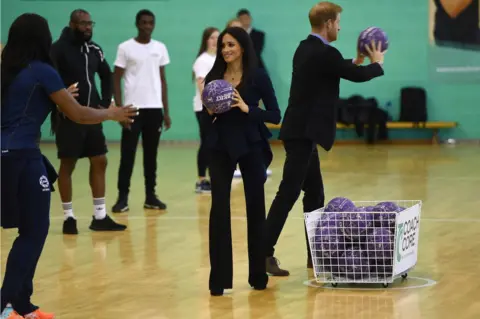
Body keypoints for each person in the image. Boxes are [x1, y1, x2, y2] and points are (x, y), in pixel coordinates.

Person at [0, 13, 137, 319]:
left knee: (27, 232)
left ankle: (23, 306)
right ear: (42, 37)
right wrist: (112, 113)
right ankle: (6, 305)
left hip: (7, 156)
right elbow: (79, 115)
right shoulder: (42, 70)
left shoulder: (8, 71)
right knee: (33, 232)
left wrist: (57, 97)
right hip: (22, 156)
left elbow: (27, 103)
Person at [264, 1, 386, 276]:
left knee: (314, 194)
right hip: (302, 134)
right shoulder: (322, 53)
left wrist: (354, 60)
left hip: (303, 133)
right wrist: (376, 64)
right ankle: (263, 252)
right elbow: (355, 76)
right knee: (288, 193)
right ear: (328, 23)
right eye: (338, 22)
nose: (341, 27)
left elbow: (334, 68)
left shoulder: (307, 48)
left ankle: (315, 254)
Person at [204, 27, 281, 296]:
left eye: (231, 45)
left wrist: (249, 109)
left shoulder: (258, 75)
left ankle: (257, 274)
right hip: (220, 146)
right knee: (219, 209)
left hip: (251, 145)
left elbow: (275, 114)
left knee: (255, 208)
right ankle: (218, 279)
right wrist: (210, 109)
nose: (225, 50)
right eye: (223, 45)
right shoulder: (214, 77)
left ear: (243, 47)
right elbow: (208, 116)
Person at [50, 9, 126, 234]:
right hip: (68, 116)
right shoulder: (58, 49)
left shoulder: (95, 50)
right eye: (83, 24)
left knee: (100, 160)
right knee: (68, 163)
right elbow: (49, 77)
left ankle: (100, 216)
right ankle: (68, 217)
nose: (88, 28)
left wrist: (104, 102)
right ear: (72, 24)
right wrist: (61, 94)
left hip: (92, 116)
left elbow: (106, 74)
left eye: (90, 24)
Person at [111, 9, 172, 213]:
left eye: (150, 23)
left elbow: (162, 80)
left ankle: (150, 196)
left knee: (151, 156)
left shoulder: (160, 48)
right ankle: (122, 198)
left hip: (154, 109)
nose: (147, 26)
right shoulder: (125, 48)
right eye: (144, 22)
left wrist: (166, 111)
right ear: (137, 24)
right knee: (127, 155)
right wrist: (119, 109)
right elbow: (116, 78)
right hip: (132, 109)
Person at [192, 27, 219, 193]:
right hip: (204, 108)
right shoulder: (202, 60)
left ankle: (215, 177)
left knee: (216, 143)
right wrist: (209, 106)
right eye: (212, 38)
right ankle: (201, 180)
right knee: (207, 142)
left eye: (218, 37)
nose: (215, 41)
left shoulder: (220, 58)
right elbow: (201, 84)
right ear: (206, 40)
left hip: (218, 108)